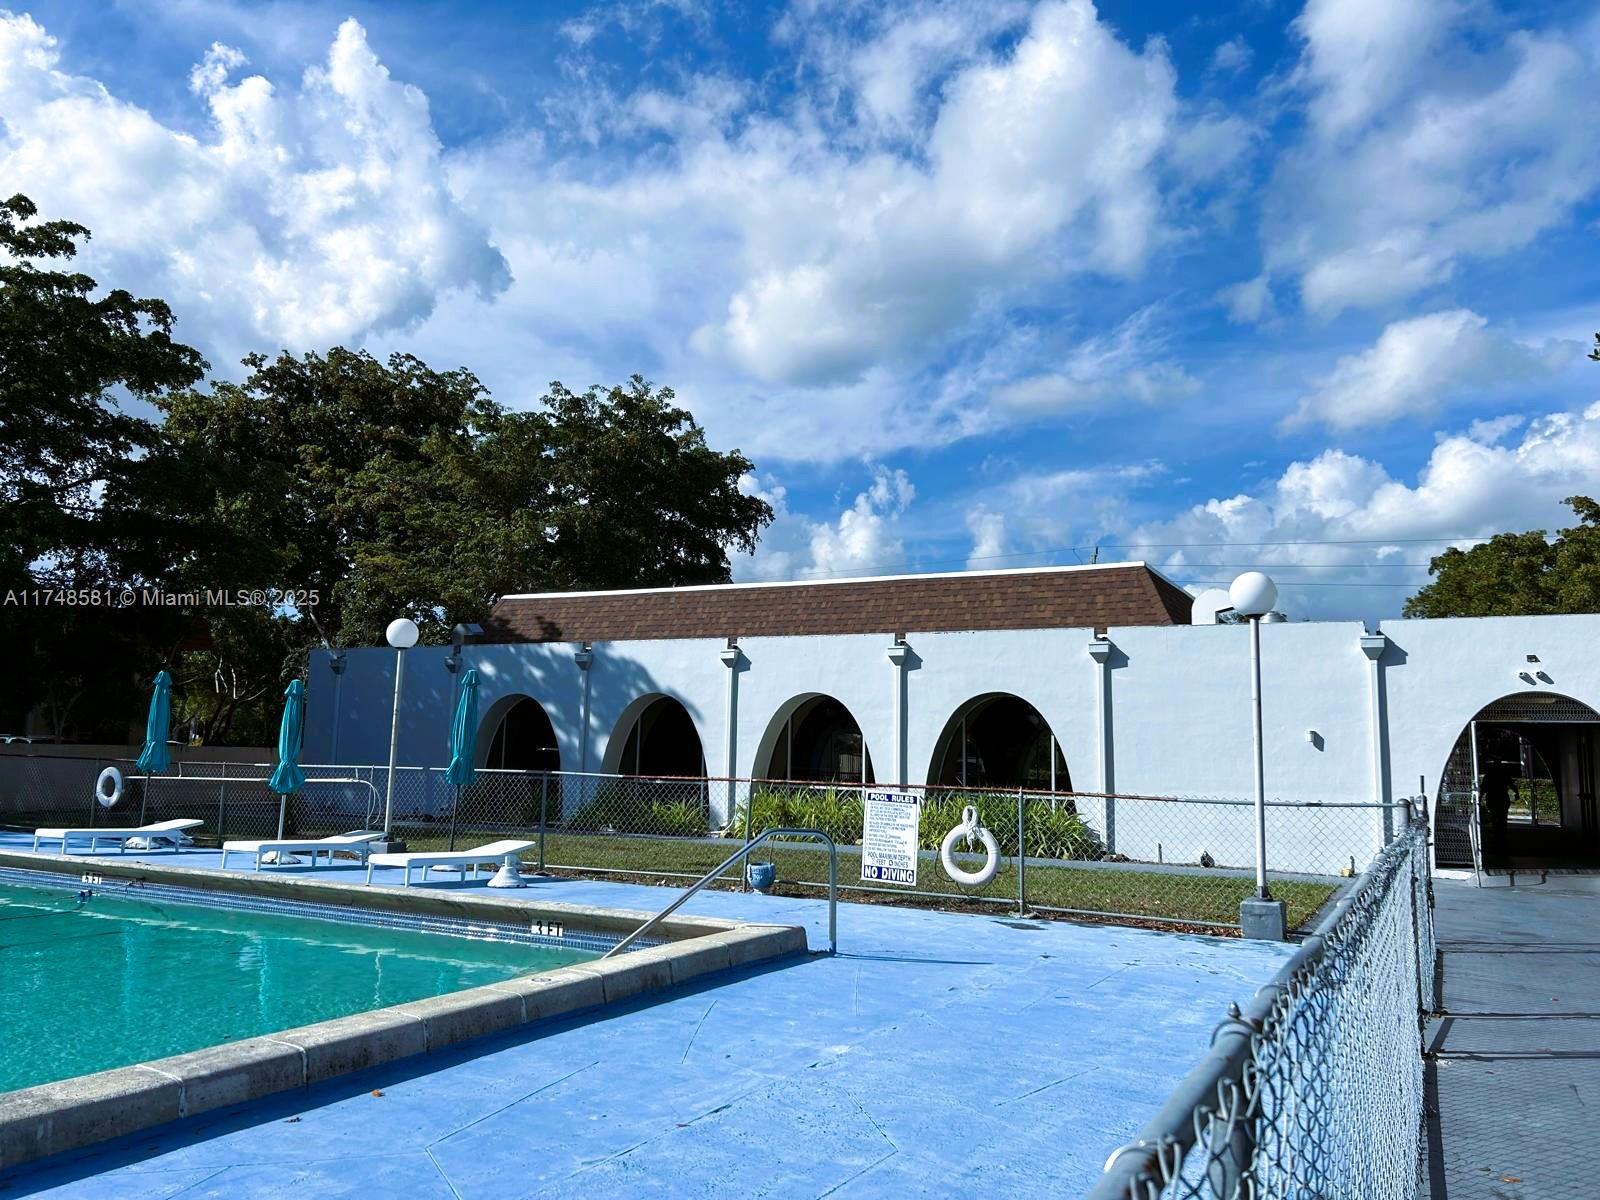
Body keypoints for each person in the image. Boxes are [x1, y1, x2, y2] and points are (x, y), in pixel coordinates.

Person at [1479, 764, 1513, 864]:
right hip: (1503, 799)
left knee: (1495, 819)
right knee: (1503, 819)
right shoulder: (1504, 774)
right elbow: (1511, 784)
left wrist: (1480, 798)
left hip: (1493, 799)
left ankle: (1496, 838)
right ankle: (1502, 839)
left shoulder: (1488, 776)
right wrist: (1516, 792)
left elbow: (1483, 788)